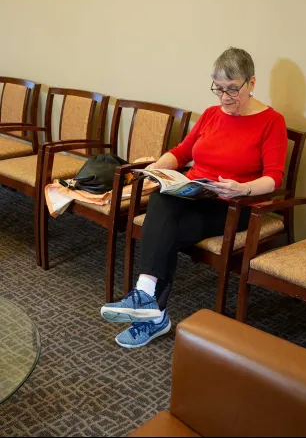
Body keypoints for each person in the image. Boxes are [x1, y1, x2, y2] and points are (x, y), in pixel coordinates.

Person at [100, 47, 288, 348]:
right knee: (162, 199)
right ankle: (148, 299)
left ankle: (151, 309)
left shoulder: (272, 122)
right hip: (194, 194)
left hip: (231, 206)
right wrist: (154, 169)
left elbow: (275, 177)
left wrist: (243, 188)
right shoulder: (212, 115)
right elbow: (182, 152)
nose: (225, 98)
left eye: (233, 90)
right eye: (219, 89)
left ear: (252, 84)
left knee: (164, 230)